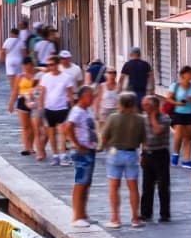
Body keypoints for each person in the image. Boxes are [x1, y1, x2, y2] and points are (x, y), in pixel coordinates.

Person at [99, 90, 146, 228]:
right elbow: (144, 140)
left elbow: (104, 135)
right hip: (132, 154)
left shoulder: (113, 118)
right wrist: (143, 154)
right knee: (133, 187)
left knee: (114, 187)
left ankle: (115, 218)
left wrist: (103, 146)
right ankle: (135, 218)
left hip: (115, 153)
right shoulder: (140, 119)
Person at [68, 85, 100, 227]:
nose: (92, 98)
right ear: (82, 97)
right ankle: (77, 216)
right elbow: (68, 126)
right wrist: (76, 143)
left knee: (86, 182)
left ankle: (83, 214)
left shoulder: (86, 111)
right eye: (89, 96)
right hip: (83, 151)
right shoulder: (77, 111)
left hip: (89, 150)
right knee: (80, 182)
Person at [40, 51, 78, 165]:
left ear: (57, 64)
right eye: (48, 65)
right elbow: (42, 93)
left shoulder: (66, 77)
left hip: (62, 107)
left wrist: (72, 109)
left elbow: (70, 94)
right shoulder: (45, 77)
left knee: (62, 132)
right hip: (49, 107)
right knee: (51, 133)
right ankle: (55, 155)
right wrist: (41, 107)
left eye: (52, 64)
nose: (50, 67)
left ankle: (63, 155)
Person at [139, 93, 173, 222]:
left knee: (163, 185)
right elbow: (143, 139)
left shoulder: (165, 118)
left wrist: (153, 116)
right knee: (147, 186)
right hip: (148, 154)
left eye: (147, 105)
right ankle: (145, 213)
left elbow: (158, 131)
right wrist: (142, 154)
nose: (144, 107)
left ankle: (165, 214)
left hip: (160, 154)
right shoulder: (143, 118)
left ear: (154, 106)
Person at [170, 66, 191, 166]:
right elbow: (168, 99)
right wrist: (178, 103)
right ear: (183, 74)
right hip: (178, 112)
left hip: (190, 113)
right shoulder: (175, 86)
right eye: (189, 73)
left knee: (188, 137)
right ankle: (175, 154)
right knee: (178, 135)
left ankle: (186, 160)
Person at [13, 57, 39, 158]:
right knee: (25, 126)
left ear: (31, 65)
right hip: (22, 101)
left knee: (32, 126)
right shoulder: (20, 77)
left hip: (34, 101)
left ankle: (31, 147)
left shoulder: (37, 76)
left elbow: (44, 70)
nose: (25, 68)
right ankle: (26, 147)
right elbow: (15, 91)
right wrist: (11, 103)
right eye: (23, 66)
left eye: (27, 66)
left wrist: (37, 68)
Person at [2, 27, 26, 101]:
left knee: (11, 79)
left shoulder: (7, 40)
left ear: (11, 33)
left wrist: (3, 59)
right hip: (19, 60)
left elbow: (3, 51)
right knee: (19, 78)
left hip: (9, 60)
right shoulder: (21, 41)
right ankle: (18, 93)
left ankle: (13, 93)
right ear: (18, 34)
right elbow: (24, 53)